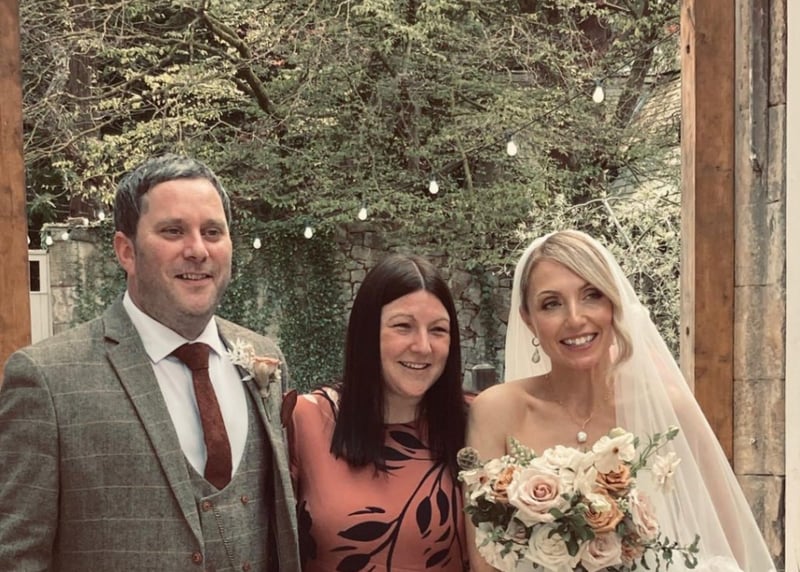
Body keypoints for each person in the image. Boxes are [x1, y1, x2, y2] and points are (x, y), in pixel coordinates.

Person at [0, 154, 301, 571]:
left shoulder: (264, 357)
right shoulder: (46, 379)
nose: (197, 250)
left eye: (212, 232)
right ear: (126, 251)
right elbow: (16, 557)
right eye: (173, 231)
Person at [466, 230, 775, 572]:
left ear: (614, 305)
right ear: (529, 320)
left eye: (592, 295)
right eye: (551, 303)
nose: (575, 318)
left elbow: (730, 551)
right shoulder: (497, 411)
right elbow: (485, 560)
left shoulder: (671, 411)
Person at [283, 254, 469, 571]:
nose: (423, 346)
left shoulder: (476, 423)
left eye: (438, 330)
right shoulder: (305, 420)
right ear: (366, 332)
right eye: (403, 327)